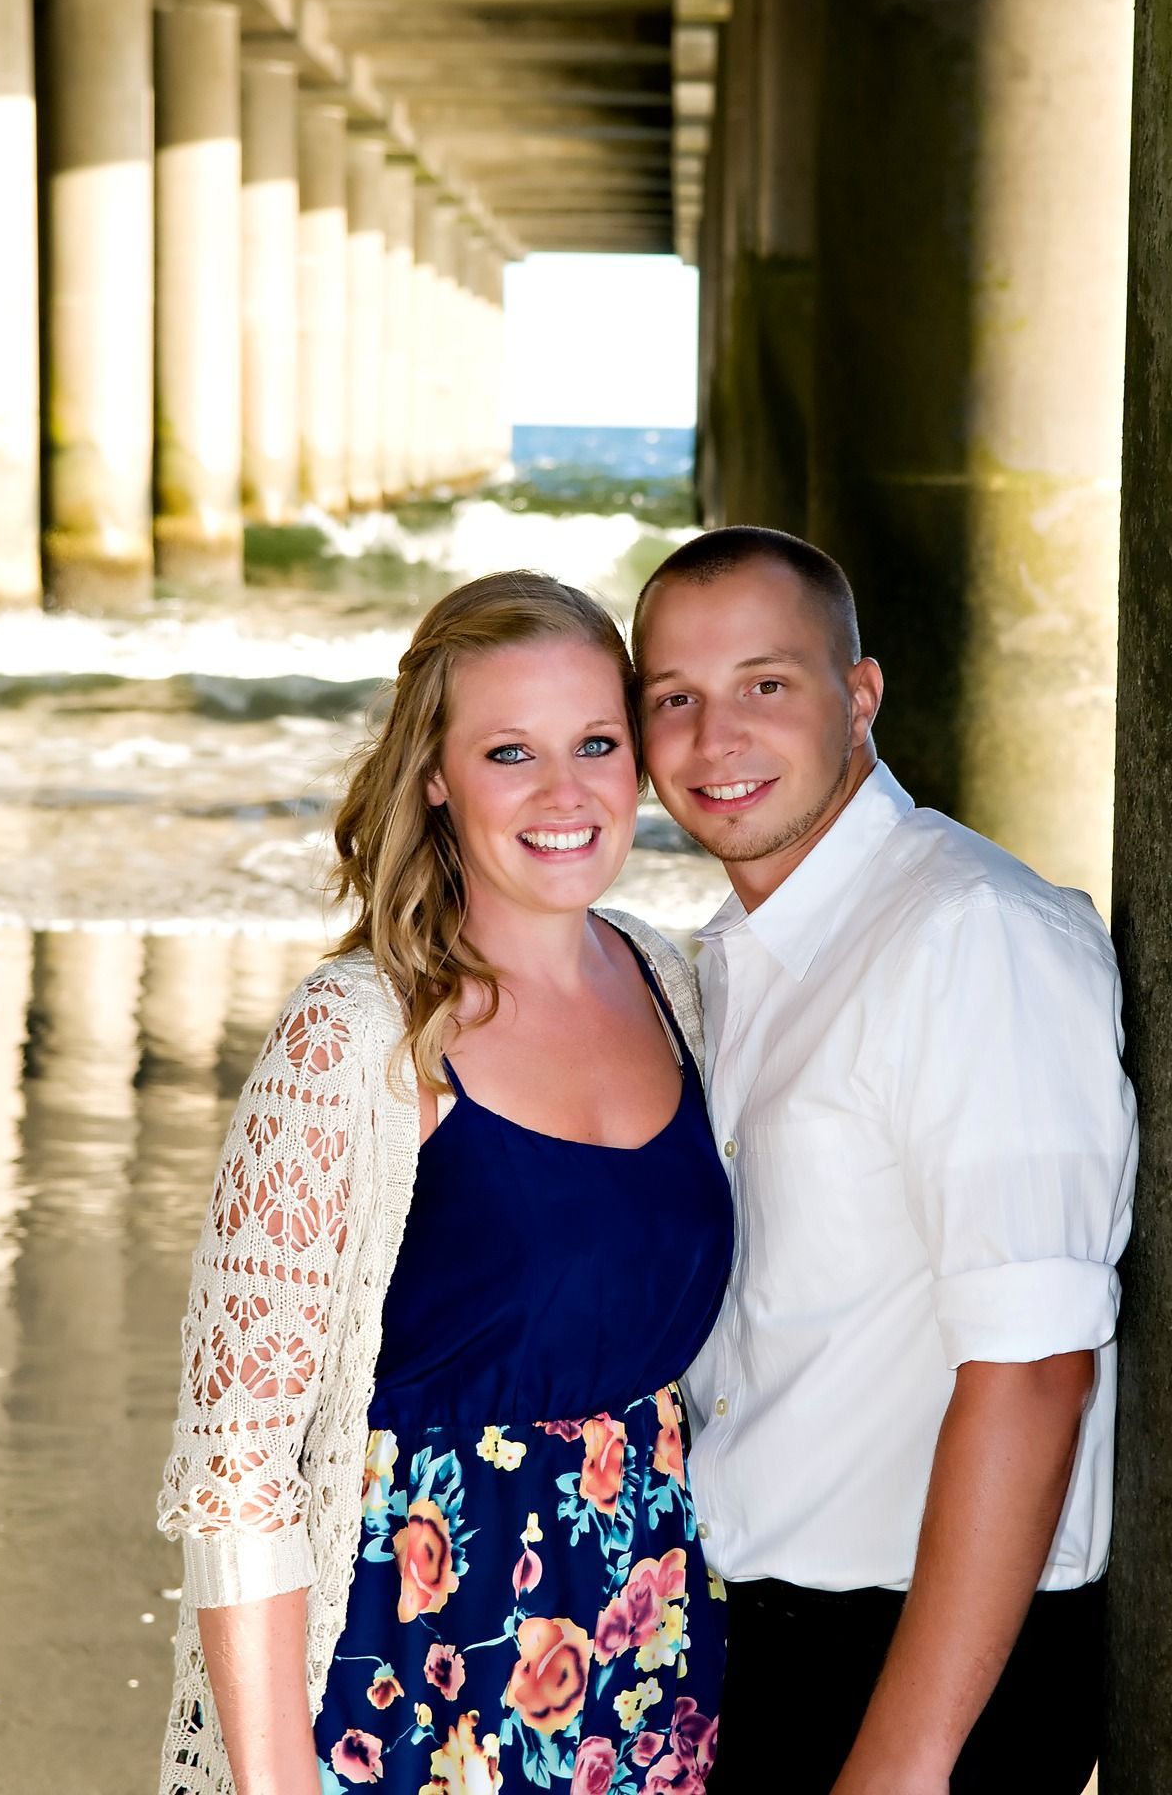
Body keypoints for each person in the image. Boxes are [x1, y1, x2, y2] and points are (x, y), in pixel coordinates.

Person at [157, 570, 732, 1795]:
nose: (566, 793)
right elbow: (236, 1468)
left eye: (596, 742)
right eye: (510, 752)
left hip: (647, 1650)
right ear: (435, 774)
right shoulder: (356, 1037)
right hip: (413, 1670)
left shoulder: (670, 981)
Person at [634, 526, 1137, 1795]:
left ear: (859, 697)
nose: (715, 742)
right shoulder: (738, 957)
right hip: (758, 1646)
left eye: (766, 685)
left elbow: (1033, 1373)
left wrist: (903, 1765)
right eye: (672, 701)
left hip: (917, 1667)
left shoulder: (973, 938)